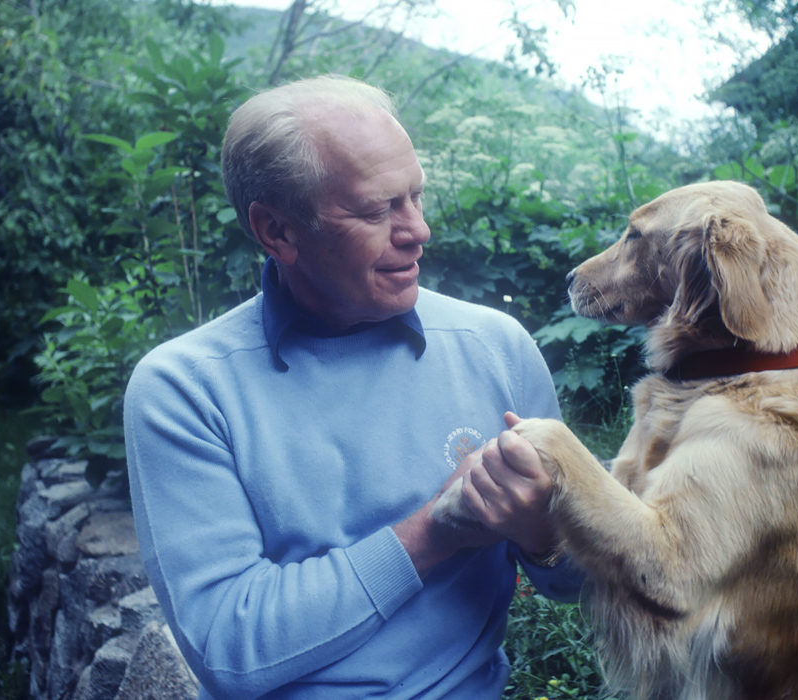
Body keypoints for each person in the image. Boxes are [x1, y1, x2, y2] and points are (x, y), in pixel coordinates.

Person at [123, 74, 583, 700]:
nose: (418, 230)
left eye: (416, 196)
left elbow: (579, 581)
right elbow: (229, 650)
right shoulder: (184, 389)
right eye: (376, 209)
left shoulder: (495, 347)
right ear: (277, 231)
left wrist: (542, 534)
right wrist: (437, 530)